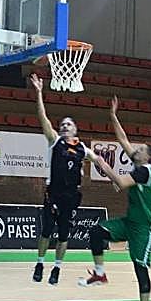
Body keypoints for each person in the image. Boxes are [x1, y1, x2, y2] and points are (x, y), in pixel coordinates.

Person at [79, 95, 151, 301]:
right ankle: (100, 273)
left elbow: (122, 183)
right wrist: (113, 115)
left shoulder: (145, 172)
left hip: (143, 228)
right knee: (96, 232)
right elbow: (122, 139)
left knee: (140, 268)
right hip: (129, 222)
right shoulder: (139, 163)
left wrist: (103, 165)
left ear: (147, 157)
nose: (136, 149)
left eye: (140, 149)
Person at [29, 73, 98, 285]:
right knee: (46, 231)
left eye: (69, 124)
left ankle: (57, 268)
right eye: (63, 124)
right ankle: (40, 263)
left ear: (75, 129)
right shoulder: (55, 141)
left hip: (71, 197)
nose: (65, 126)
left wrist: (114, 178)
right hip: (53, 194)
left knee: (64, 235)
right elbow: (43, 118)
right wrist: (39, 93)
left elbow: (99, 161)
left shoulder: (83, 149)